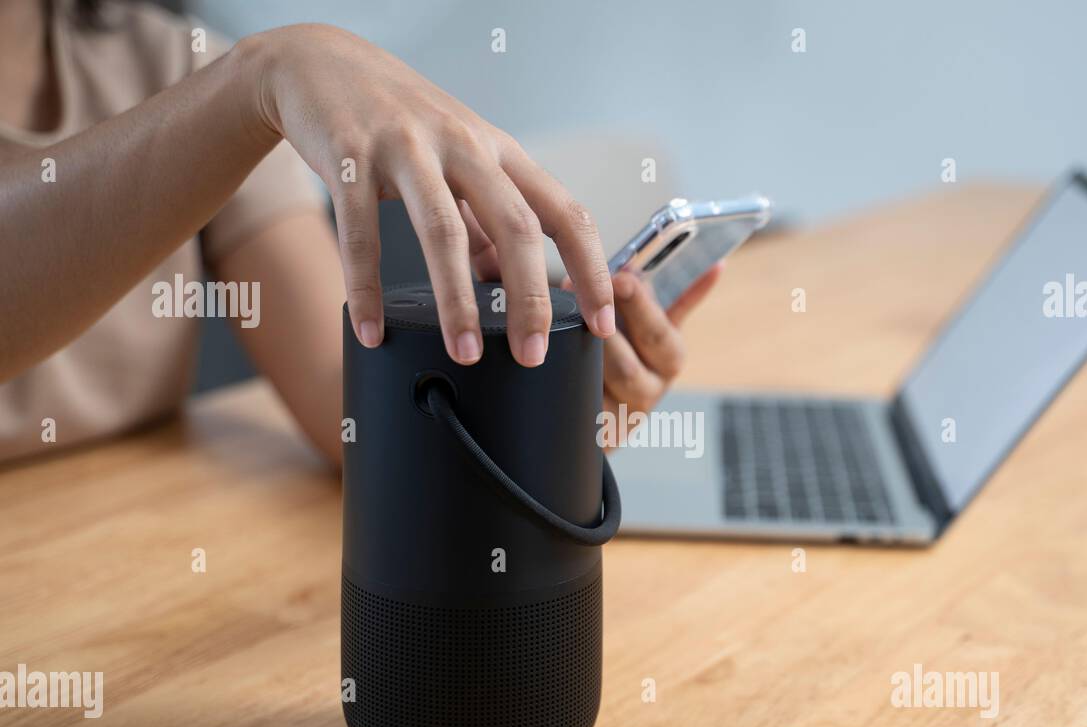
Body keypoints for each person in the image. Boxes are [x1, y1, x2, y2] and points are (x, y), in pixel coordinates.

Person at [0, 0, 722, 465]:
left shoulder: (171, 62)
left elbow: (351, 414)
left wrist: (525, 414)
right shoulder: (227, 90)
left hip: (123, 564)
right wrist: (267, 72)